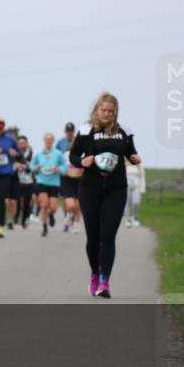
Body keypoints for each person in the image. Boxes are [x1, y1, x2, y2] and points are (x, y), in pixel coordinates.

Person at [70, 92, 141, 298]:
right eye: (104, 110)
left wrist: (134, 157)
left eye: (111, 111)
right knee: (93, 237)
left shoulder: (123, 131)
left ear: (115, 112)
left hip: (115, 188)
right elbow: (74, 155)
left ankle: (105, 282)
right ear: (97, 110)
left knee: (108, 236)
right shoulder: (86, 130)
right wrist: (82, 162)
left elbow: (130, 152)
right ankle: (95, 273)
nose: (107, 114)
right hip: (90, 188)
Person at [31, 133, 65, 237]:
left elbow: (64, 167)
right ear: (44, 141)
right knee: (44, 205)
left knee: (53, 207)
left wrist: (58, 169)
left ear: (53, 141)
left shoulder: (58, 154)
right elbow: (32, 165)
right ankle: (44, 227)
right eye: (47, 140)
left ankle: (51, 215)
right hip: (42, 181)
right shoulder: (39, 154)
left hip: (54, 182)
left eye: (50, 140)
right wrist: (35, 168)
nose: (48, 142)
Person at [57, 122, 83, 233]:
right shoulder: (60, 143)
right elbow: (57, 157)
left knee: (78, 205)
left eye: (71, 131)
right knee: (69, 204)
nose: (69, 133)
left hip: (79, 177)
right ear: (65, 132)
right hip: (66, 177)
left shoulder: (79, 142)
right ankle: (67, 217)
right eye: (68, 131)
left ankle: (75, 224)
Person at [13, 135, 36, 228]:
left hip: (29, 181)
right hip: (17, 180)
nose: (22, 145)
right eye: (20, 143)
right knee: (17, 200)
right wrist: (17, 165)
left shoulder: (31, 154)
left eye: (23, 143)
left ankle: (24, 220)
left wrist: (27, 166)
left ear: (27, 144)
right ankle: (15, 218)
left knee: (27, 201)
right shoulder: (15, 154)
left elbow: (34, 166)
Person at [124, 162, 146, 227]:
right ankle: (128, 219)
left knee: (136, 202)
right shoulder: (124, 166)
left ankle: (135, 217)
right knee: (127, 203)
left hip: (137, 187)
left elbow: (143, 177)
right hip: (127, 188)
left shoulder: (139, 167)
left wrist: (142, 188)